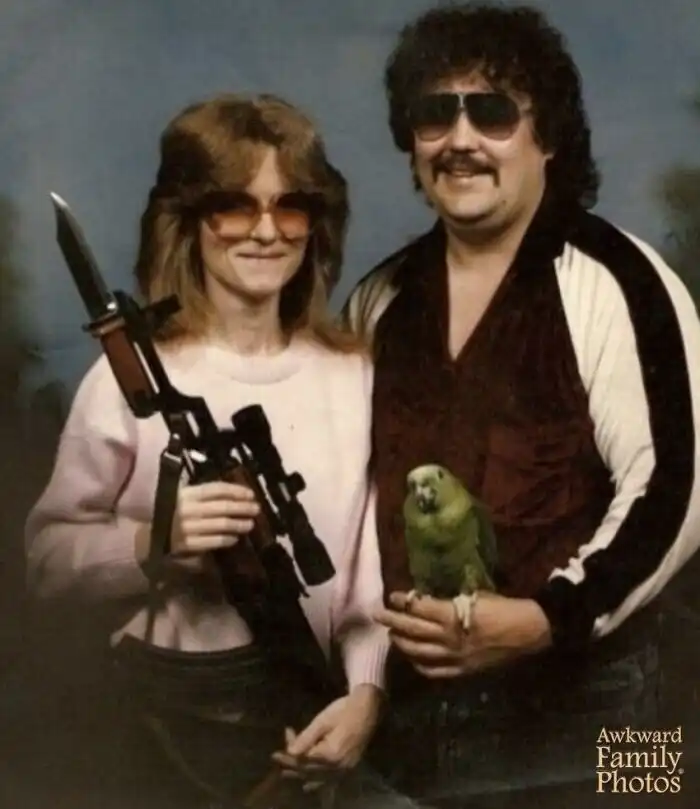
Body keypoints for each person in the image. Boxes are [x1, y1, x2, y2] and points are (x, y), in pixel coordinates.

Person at [341, 3, 700, 807]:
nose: (460, 138)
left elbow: (676, 488)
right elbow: (348, 503)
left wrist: (547, 618)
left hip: (605, 725)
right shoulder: (378, 301)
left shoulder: (621, 280)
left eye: (493, 111)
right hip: (417, 732)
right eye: (436, 113)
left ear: (549, 138)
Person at [24, 93, 416, 809]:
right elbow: (45, 563)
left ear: (316, 224)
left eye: (290, 207)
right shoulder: (124, 381)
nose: (266, 232)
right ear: (189, 219)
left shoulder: (354, 375)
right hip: (161, 731)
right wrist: (156, 541)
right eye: (234, 206)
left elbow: (369, 582)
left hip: (310, 711)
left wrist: (365, 695)